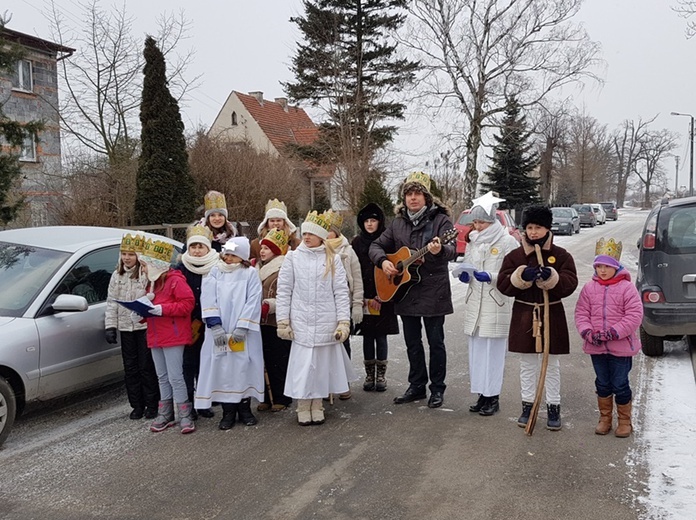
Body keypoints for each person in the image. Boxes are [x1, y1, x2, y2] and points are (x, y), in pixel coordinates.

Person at [369, 171, 457, 409]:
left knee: (435, 341)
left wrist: (440, 251)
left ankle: (437, 388)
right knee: (412, 342)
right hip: (405, 292)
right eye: (409, 193)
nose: (413, 198)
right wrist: (383, 262)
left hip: (433, 290)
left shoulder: (441, 221)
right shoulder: (398, 223)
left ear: (427, 197)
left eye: (418, 193)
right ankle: (416, 385)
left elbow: (452, 248)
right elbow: (376, 245)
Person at [496, 205, 578, 431]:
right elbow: (503, 284)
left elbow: (570, 282)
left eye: (538, 227)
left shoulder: (561, 255)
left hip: (551, 313)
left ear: (547, 228)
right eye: (529, 227)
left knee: (551, 364)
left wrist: (552, 278)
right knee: (528, 364)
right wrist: (520, 276)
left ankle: (553, 407)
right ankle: (528, 406)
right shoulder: (515, 256)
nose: (533, 232)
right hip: (525, 315)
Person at [275, 210, 357, 426]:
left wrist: (343, 321)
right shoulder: (292, 257)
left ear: (322, 236)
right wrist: (283, 320)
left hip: (325, 322)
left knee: (320, 366)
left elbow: (340, 291)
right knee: (303, 366)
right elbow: (284, 290)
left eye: (312, 233)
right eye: (305, 233)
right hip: (301, 322)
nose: (307, 237)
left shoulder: (333, 260)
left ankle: (317, 404)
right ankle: (303, 404)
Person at [452, 192, 519, 416]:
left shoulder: (507, 242)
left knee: (493, 353)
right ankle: (481, 393)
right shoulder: (473, 241)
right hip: (475, 304)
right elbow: (468, 264)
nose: (477, 226)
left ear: (492, 221)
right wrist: (466, 275)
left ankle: (493, 396)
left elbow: (513, 275)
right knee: (477, 352)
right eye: (475, 222)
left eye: (481, 222)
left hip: (495, 302)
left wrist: (489, 276)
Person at [575, 238, 642, 438]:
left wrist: (614, 332)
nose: (602, 271)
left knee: (620, 383)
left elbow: (634, 315)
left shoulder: (627, 288)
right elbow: (581, 313)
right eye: (599, 266)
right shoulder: (589, 288)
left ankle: (624, 421)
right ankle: (605, 418)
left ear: (616, 266)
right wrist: (587, 332)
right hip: (596, 346)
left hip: (620, 346)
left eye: (607, 266)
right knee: (602, 383)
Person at [196, 236, 265, 430]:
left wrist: (243, 326)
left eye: (233, 255)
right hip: (220, 330)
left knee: (243, 366)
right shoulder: (214, 272)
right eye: (226, 254)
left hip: (243, 331)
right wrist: (215, 325)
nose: (228, 258)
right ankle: (228, 412)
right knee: (224, 368)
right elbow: (208, 298)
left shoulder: (250, 273)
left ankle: (245, 409)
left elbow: (253, 300)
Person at [137, 238, 196, 434]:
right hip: (156, 335)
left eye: (145, 265)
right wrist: (141, 313)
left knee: (175, 376)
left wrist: (161, 309)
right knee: (162, 376)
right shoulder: (152, 285)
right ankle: (166, 413)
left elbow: (187, 304)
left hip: (173, 335)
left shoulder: (175, 280)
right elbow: (152, 309)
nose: (143, 270)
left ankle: (185, 413)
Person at [105, 233, 159, 420]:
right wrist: (110, 326)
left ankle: (152, 404)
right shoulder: (116, 275)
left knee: (146, 366)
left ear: (138, 256)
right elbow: (111, 302)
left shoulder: (146, 274)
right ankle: (137, 405)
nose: (127, 258)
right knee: (130, 367)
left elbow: (152, 295)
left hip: (143, 327)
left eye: (131, 254)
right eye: (124, 254)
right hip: (125, 328)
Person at [351, 203, 399, 392]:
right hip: (364, 295)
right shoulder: (356, 242)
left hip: (384, 294)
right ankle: (369, 374)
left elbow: (394, 267)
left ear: (379, 222)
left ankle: (381, 375)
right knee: (367, 335)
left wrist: (382, 295)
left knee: (381, 335)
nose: (370, 224)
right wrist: (360, 296)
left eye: (373, 220)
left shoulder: (387, 240)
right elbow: (354, 271)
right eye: (366, 221)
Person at [176, 224, 219, 420]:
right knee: (188, 365)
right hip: (188, 324)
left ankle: (204, 402)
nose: (196, 250)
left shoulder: (217, 267)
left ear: (208, 248)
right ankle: (189, 405)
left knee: (206, 365)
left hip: (209, 323)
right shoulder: (180, 269)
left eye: (201, 247)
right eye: (193, 247)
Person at [324, 209, 363, 400]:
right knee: (323, 346)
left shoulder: (347, 251)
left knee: (342, 343)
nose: (325, 234)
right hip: (322, 306)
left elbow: (357, 279)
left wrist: (356, 305)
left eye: (328, 230)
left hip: (342, 304)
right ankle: (325, 383)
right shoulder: (316, 250)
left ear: (336, 232)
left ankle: (343, 382)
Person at [255, 228, 293, 412]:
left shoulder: (283, 268)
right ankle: (265, 396)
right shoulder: (255, 267)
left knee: (278, 359)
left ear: (276, 251)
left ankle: (282, 396)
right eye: (262, 248)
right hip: (258, 321)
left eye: (267, 249)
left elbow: (288, 296)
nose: (262, 251)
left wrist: (270, 305)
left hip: (276, 321)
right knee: (261, 358)